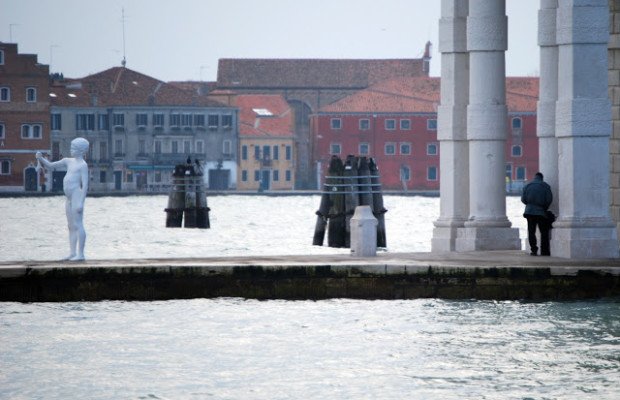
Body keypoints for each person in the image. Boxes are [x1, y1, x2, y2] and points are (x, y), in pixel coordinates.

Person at [36, 138, 90, 261]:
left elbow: (85, 185)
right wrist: (41, 158)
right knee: (71, 226)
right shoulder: (68, 161)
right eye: (71, 147)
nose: (71, 150)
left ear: (81, 151)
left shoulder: (83, 165)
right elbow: (50, 166)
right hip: (69, 198)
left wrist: (81, 203)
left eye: (74, 148)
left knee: (78, 225)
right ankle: (72, 253)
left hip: (76, 196)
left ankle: (80, 254)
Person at [521, 172, 553, 256]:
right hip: (541, 212)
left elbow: (523, 199)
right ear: (541, 178)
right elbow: (549, 199)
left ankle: (534, 250)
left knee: (531, 231)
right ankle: (544, 251)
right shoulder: (545, 186)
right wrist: (544, 208)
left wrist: (529, 205)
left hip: (529, 212)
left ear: (534, 177)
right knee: (544, 232)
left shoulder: (527, 185)